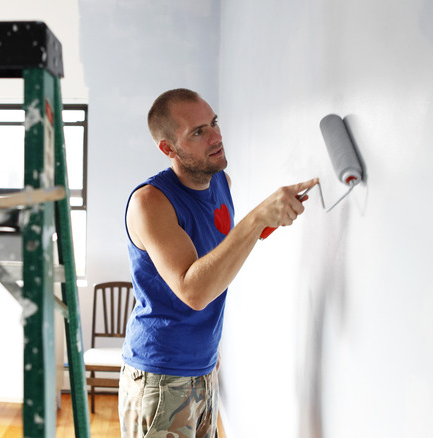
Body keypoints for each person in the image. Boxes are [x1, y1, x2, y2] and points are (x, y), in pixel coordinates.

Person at [119, 88, 318, 438]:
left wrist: (267, 222)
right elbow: (193, 290)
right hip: (160, 375)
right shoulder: (151, 202)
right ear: (168, 149)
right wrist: (257, 218)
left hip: (204, 366)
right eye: (198, 132)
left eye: (213, 123)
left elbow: (219, 258)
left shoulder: (221, 184)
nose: (216, 137)